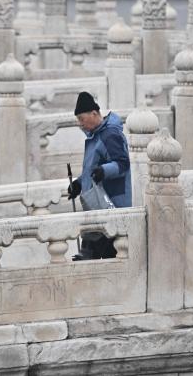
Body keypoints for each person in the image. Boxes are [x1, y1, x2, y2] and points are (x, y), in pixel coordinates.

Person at [68, 91, 132, 260]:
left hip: (111, 201)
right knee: (92, 245)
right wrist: (79, 184)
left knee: (107, 250)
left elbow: (122, 164)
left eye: (82, 119)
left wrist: (104, 171)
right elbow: (93, 170)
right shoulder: (95, 136)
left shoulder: (110, 134)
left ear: (94, 114)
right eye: (78, 121)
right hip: (96, 202)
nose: (80, 124)